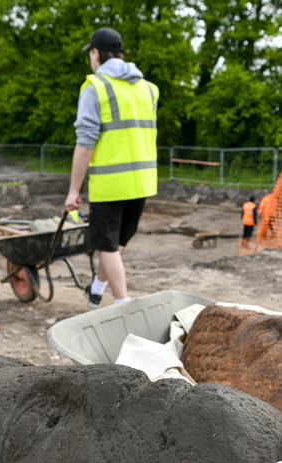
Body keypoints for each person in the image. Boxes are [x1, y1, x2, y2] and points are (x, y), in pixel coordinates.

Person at [64, 27, 159, 308]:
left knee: (106, 246)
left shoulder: (96, 87)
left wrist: (73, 191)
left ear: (96, 54)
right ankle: (96, 289)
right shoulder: (148, 89)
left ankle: (123, 307)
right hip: (142, 182)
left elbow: (85, 144)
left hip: (110, 183)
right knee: (114, 245)